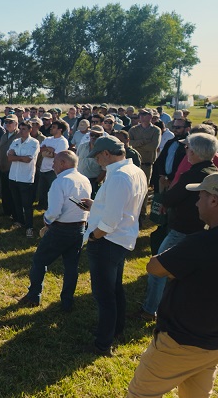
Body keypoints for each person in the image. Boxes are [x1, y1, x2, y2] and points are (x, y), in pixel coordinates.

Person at [127, 172, 218, 397]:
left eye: (200, 196)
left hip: (180, 344)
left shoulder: (203, 243)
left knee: (140, 394)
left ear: (214, 200)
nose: (196, 202)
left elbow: (154, 267)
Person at [137, 133, 218, 321]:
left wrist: (166, 190)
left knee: (157, 269)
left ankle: (149, 310)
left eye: (187, 148)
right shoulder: (213, 171)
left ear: (195, 152)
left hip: (182, 229)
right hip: (198, 229)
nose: (185, 150)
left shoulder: (193, 174)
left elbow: (170, 198)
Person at [81, 136, 148, 356]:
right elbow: (122, 206)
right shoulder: (135, 171)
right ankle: (115, 329)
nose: (97, 161)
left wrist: (94, 236)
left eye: (97, 156)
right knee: (115, 288)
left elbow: (111, 219)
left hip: (107, 241)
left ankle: (103, 343)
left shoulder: (119, 176)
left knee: (104, 295)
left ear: (107, 154)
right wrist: (96, 205)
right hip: (121, 239)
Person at [19, 151, 91, 310]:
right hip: (79, 228)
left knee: (39, 260)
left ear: (63, 163)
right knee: (71, 267)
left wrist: (47, 221)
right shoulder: (84, 179)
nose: (52, 166)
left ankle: (34, 296)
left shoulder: (60, 182)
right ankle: (67, 302)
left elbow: (54, 211)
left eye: (55, 162)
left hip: (61, 229)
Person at [7, 121, 40, 237]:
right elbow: (9, 157)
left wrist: (15, 156)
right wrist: (19, 157)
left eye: (24, 129)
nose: (21, 131)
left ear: (30, 130)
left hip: (25, 178)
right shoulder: (15, 141)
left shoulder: (34, 143)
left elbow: (28, 159)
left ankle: (29, 227)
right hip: (13, 177)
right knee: (16, 202)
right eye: (20, 129)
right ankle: (20, 221)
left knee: (27, 204)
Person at [37, 120, 70, 210]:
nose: (51, 128)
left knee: (53, 192)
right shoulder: (48, 139)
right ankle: (41, 207)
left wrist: (48, 151)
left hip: (53, 170)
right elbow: (40, 150)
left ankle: (52, 209)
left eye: (54, 127)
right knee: (42, 190)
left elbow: (57, 156)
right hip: (43, 169)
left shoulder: (63, 141)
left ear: (60, 129)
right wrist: (49, 149)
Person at [128, 109, 161, 183]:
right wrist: (143, 141)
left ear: (151, 116)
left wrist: (137, 146)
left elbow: (153, 146)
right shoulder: (133, 129)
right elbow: (129, 143)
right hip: (133, 164)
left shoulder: (156, 130)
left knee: (144, 186)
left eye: (144, 114)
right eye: (140, 114)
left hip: (147, 164)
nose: (141, 116)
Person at [0, 115, 19, 220]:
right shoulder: (4, 135)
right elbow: (0, 151)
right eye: (6, 122)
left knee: (13, 192)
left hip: (13, 168)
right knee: (5, 190)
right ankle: (6, 211)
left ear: (16, 124)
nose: (8, 124)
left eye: (10, 122)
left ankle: (14, 213)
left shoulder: (19, 136)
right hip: (3, 166)